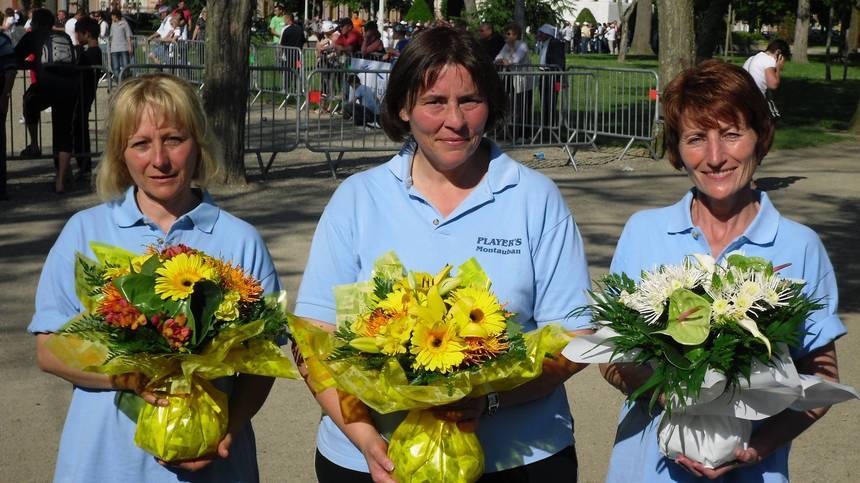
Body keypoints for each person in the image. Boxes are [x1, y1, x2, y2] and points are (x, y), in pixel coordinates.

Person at [294, 25, 592, 482]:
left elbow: (573, 336)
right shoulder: (358, 199)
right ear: (402, 106)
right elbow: (314, 340)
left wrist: (490, 398)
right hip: (372, 462)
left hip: (517, 460)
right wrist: (366, 440)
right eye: (435, 101)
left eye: (469, 100)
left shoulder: (534, 198)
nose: (455, 120)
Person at [600, 60, 844, 482]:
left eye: (731, 134)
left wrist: (756, 448)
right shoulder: (644, 232)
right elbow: (610, 356)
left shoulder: (799, 246)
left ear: (759, 137)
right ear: (678, 149)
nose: (715, 157)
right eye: (696, 138)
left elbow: (822, 379)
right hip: (647, 470)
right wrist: (675, 401)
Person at [28, 73, 280, 482]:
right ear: (120, 154)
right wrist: (124, 374)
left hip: (212, 461)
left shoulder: (240, 239)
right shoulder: (85, 232)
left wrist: (226, 431)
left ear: (198, 144)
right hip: (106, 462)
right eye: (141, 143)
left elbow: (262, 362)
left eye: (174, 139)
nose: (158, 159)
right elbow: (49, 348)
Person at [15, 8, 79, 193]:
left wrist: (30, 64)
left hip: (46, 86)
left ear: (35, 22)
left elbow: (16, 57)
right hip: (69, 86)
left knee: (29, 101)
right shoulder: (64, 36)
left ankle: (34, 144)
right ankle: (62, 180)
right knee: (63, 131)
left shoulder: (33, 36)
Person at [72, 16, 102, 180]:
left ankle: (84, 165)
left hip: (82, 95)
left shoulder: (87, 54)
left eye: (78, 33)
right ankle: (84, 164)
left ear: (87, 34)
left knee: (79, 130)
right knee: (80, 128)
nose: (77, 37)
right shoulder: (95, 52)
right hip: (86, 95)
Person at [494, 22, 532, 140]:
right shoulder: (506, 45)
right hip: (511, 79)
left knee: (522, 107)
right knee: (512, 106)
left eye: (509, 34)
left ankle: (524, 134)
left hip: (523, 80)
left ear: (516, 35)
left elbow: (515, 59)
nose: (506, 36)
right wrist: (503, 59)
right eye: (506, 34)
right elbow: (497, 58)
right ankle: (512, 132)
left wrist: (507, 58)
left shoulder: (522, 45)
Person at [743, 39, 790, 119]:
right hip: (757, 101)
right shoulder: (769, 60)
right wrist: (778, 68)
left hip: (744, 98)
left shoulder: (752, 58)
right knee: (773, 118)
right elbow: (773, 85)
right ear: (778, 53)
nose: (783, 64)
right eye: (784, 60)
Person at [109, 9, 133, 77]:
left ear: (116, 16)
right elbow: (111, 36)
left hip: (123, 48)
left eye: (112, 16)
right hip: (114, 49)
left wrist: (130, 46)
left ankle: (126, 81)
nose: (111, 17)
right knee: (115, 67)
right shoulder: (112, 24)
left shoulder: (124, 23)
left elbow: (128, 36)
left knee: (126, 66)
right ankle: (119, 81)